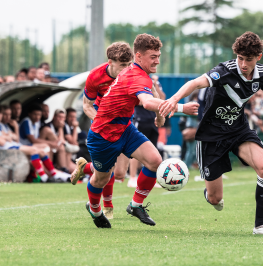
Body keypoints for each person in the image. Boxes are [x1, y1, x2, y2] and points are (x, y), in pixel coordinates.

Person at [158, 31, 263, 235]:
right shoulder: (224, 71)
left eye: (249, 59)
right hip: (211, 135)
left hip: (238, 131)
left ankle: (260, 226)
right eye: (240, 58)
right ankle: (210, 194)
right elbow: (195, 83)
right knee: (215, 199)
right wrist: (174, 99)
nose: (243, 64)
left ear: (258, 58)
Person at [71, 34, 199, 228]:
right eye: (152, 56)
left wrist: (160, 115)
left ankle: (136, 205)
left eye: (158, 55)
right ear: (139, 57)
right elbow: (147, 103)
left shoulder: (138, 73)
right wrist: (180, 107)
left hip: (125, 128)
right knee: (102, 178)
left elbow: (152, 95)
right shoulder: (133, 75)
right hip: (103, 135)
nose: (157, 60)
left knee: (155, 161)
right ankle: (95, 208)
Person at [72, 41, 135, 219]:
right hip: (102, 122)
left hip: (125, 122)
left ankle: (85, 168)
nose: (126, 69)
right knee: (109, 169)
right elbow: (87, 106)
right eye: (122, 65)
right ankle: (107, 205)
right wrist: (102, 122)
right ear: (110, 62)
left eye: (129, 64)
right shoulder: (95, 76)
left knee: (121, 173)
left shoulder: (133, 73)